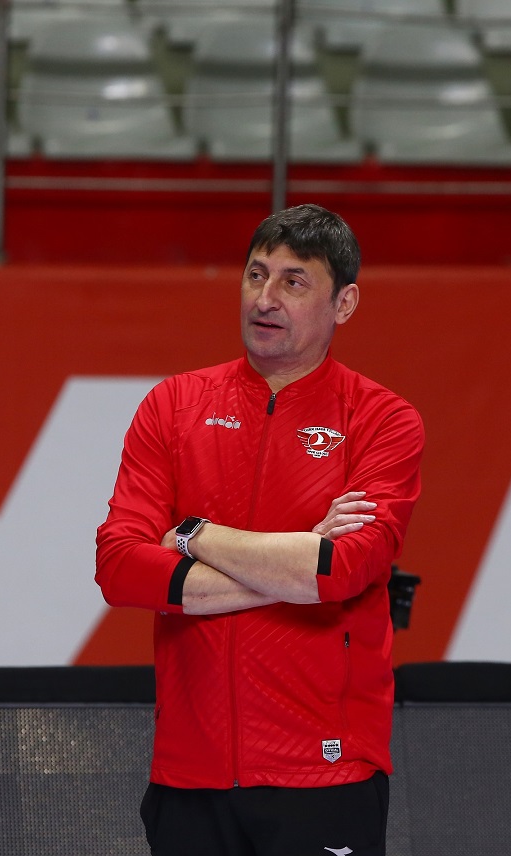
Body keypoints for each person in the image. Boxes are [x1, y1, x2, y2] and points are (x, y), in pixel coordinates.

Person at [95, 203, 424, 856]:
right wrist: (294, 566)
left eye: (293, 282)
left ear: (344, 303)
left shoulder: (382, 420)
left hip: (325, 772)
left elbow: (340, 569)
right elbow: (120, 567)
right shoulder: (173, 405)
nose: (265, 299)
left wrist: (191, 535)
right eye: (255, 275)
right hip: (189, 773)